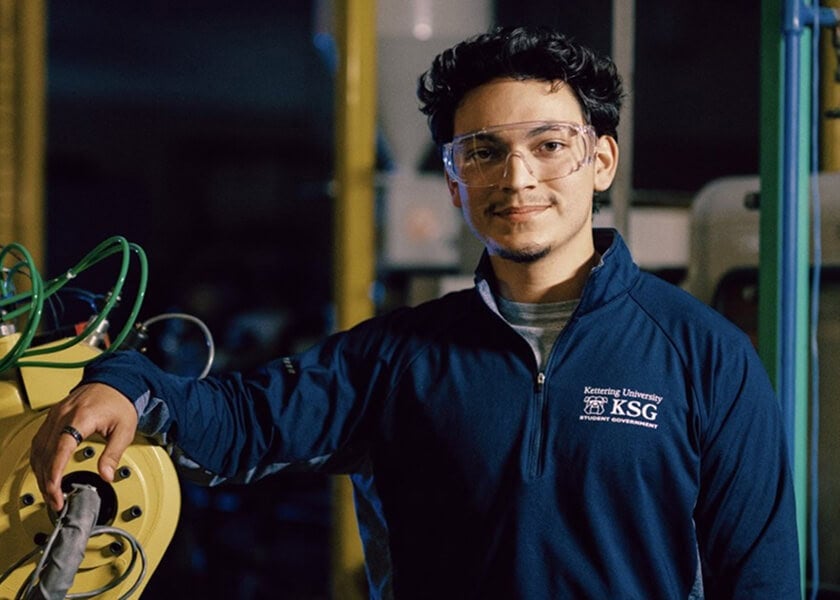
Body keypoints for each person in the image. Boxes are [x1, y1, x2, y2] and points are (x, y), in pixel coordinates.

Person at [31, 26, 800, 599]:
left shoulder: (704, 355)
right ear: (455, 182)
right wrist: (127, 384)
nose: (518, 177)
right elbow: (243, 422)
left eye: (549, 145)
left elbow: (759, 578)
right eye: (483, 151)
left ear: (600, 160)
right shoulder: (399, 358)